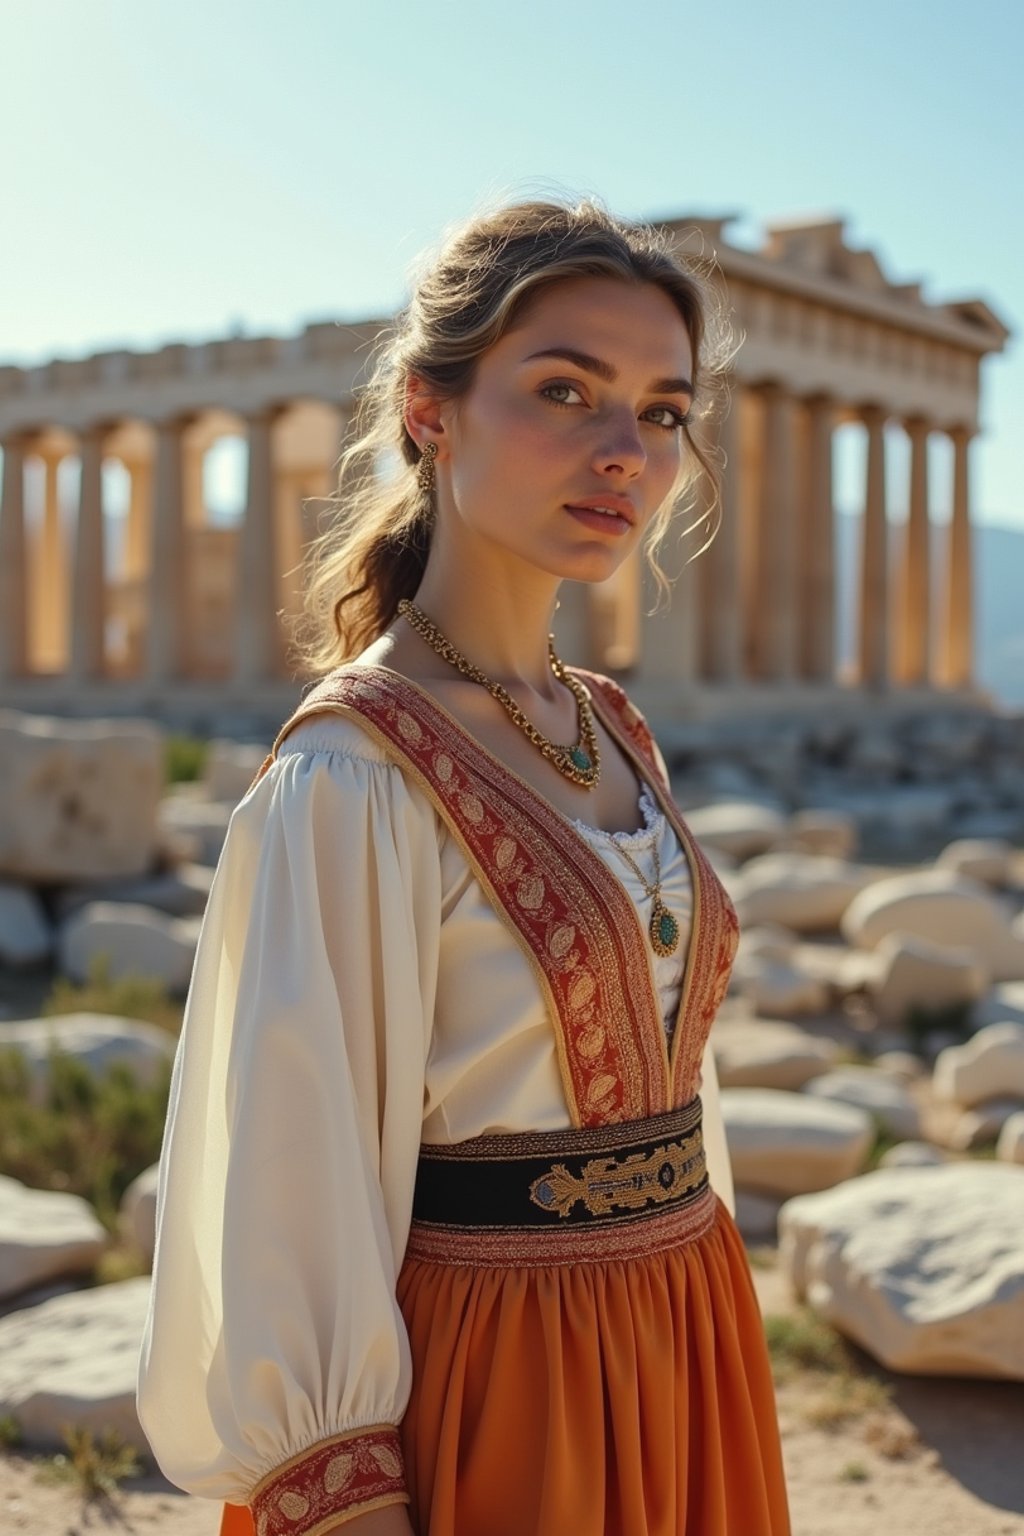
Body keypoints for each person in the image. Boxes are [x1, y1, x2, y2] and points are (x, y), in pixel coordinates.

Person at [137, 194, 791, 1536]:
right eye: (566, 390)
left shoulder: (613, 725)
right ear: (432, 412)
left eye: (664, 413)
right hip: (504, 1381)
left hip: (684, 1334)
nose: (625, 453)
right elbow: (287, 1180)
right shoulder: (349, 778)